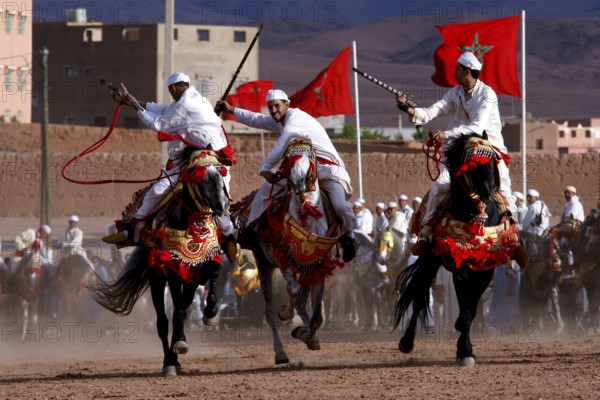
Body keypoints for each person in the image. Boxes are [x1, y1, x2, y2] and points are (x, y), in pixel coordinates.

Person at [216, 89, 358, 261]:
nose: (273, 110)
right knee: (265, 190)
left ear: (287, 104)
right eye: (270, 107)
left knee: (340, 205)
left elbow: (283, 142)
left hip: (327, 170)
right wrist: (231, 110)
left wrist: (266, 168)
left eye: (277, 106)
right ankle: (249, 230)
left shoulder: (295, 120)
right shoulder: (280, 120)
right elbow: (256, 119)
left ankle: (349, 236)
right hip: (300, 169)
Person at [109, 72, 236, 259]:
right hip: (191, 154)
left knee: (218, 195)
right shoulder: (185, 99)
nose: (171, 94)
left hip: (214, 155)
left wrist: (135, 106)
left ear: (174, 88)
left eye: (170, 91)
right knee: (158, 189)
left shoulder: (186, 103)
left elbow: (158, 124)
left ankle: (229, 236)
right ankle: (134, 229)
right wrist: (132, 102)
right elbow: (163, 109)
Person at [397, 52, 514, 250]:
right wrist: (407, 108)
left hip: (488, 147)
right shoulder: (455, 93)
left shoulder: (487, 94)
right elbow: (429, 112)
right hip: (459, 149)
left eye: (457, 69)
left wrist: (445, 134)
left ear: (466, 71)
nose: (454, 72)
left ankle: (512, 235)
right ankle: (426, 232)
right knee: (440, 184)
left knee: (503, 186)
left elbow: (477, 128)